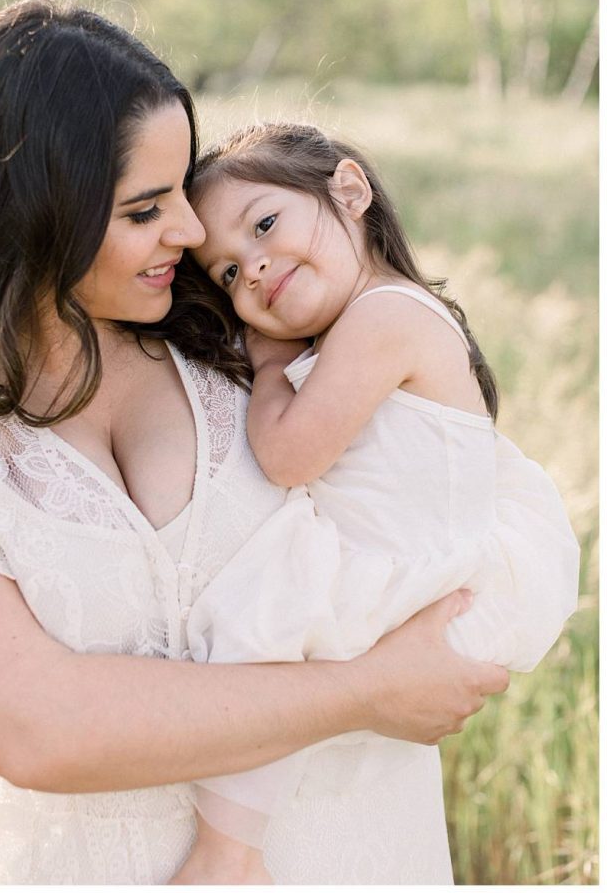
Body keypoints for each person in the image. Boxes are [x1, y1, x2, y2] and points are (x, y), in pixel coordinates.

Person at [0, 0, 514, 886]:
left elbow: (451, 481)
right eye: (144, 208)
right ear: (36, 213)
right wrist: (368, 691)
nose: (195, 233)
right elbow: (31, 727)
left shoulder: (250, 342)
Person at [166, 122, 580, 882]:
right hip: (417, 560)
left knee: (259, 610)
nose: (253, 268)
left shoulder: (382, 317)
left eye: (264, 225)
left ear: (349, 191)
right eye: (226, 275)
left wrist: (266, 365)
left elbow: (290, 457)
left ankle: (228, 853)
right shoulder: (378, 315)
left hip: (413, 574)